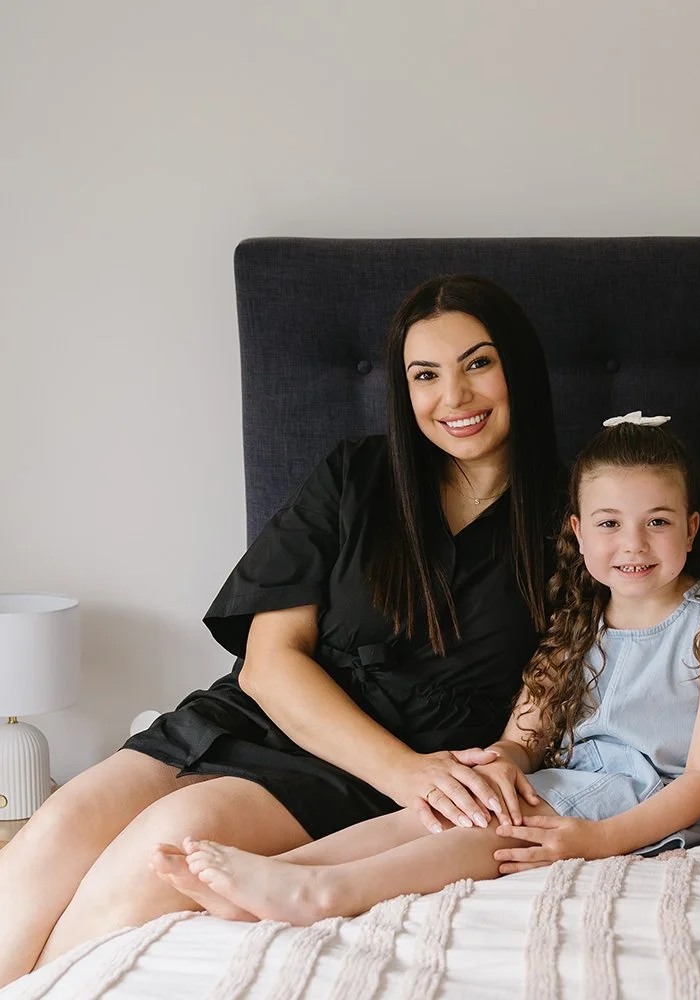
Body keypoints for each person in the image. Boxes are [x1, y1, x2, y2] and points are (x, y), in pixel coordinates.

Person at [0, 275, 561, 984]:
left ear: (519, 366)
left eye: (478, 363)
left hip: (378, 766)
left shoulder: (581, 516)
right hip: (256, 714)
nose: (454, 398)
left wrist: (475, 761)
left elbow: (569, 665)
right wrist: (408, 774)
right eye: (426, 375)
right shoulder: (356, 475)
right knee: (60, 822)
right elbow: (268, 663)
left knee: (162, 847)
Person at [149, 416, 700, 924]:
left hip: (646, 802)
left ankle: (325, 894)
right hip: (568, 784)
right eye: (610, 523)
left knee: (491, 836)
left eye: (657, 522)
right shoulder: (577, 618)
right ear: (578, 534)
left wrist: (598, 842)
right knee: (448, 811)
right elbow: (523, 739)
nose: (633, 544)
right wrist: (500, 765)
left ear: (691, 529)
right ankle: (290, 872)